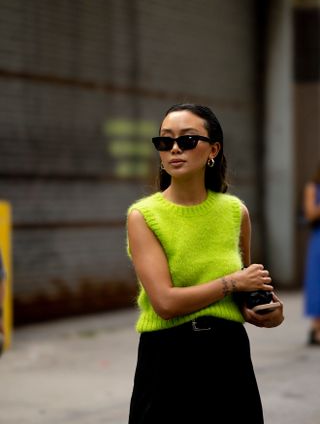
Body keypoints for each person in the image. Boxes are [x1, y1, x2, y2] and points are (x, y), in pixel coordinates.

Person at [126, 103, 284, 424]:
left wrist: (266, 310)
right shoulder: (144, 215)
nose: (174, 149)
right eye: (165, 141)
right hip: (167, 358)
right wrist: (234, 283)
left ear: (213, 149)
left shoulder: (234, 212)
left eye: (186, 140)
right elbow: (165, 303)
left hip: (228, 355)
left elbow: (242, 293)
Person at [303, 163, 320, 345]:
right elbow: (310, 214)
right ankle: (316, 327)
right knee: (317, 282)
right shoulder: (313, 187)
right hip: (318, 238)